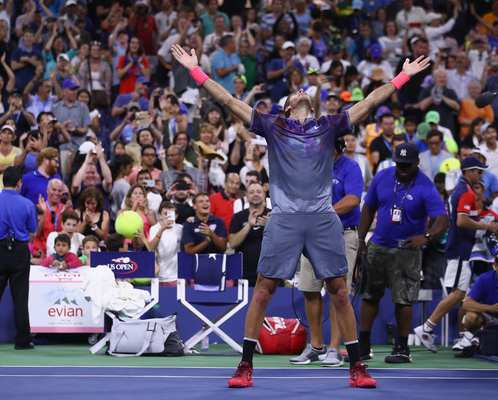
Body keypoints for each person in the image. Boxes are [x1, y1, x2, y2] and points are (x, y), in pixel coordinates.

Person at [171, 43, 430, 389]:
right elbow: (229, 102)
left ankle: (356, 366)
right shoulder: (273, 126)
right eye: (296, 92)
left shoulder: (329, 126)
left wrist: (401, 77)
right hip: (285, 218)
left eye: (305, 90)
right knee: (263, 290)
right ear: (288, 106)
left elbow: (369, 103)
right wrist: (196, 70)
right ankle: (245, 365)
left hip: (323, 218)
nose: (301, 91)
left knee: (339, 291)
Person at [358, 143, 449, 363]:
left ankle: (402, 348)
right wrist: (361, 240)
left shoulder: (426, 186)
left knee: (404, 300)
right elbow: (368, 207)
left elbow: (443, 219)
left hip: (406, 250)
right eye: (400, 164)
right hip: (378, 246)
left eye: (408, 165)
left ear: (417, 163)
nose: (403, 168)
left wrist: (426, 237)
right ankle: (363, 345)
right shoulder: (382, 176)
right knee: (370, 296)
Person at [291, 137, 364, 367]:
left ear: (338, 149)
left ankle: (334, 349)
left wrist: (325, 212)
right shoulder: (311, 167)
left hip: (342, 233)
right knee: (309, 288)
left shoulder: (350, 167)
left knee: (337, 290)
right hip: (313, 235)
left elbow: (353, 199)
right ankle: (316, 345)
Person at [414, 156, 498, 352]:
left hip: (458, 248)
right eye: (478, 171)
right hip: (461, 249)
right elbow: (461, 221)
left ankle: (464, 336)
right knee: (458, 294)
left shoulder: (460, 190)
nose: (481, 175)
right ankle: (427, 328)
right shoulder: (466, 192)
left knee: (459, 293)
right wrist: (487, 226)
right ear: (468, 172)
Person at [0, 166, 38, 350]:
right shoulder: (27, 204)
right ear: (19, 183)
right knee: (20, 299)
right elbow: (32, 233)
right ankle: (22, 341)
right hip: (19, 251)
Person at [229, 182, 271, 286]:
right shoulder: (238, 217)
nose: (255, 194)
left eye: (259, 192)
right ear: (246, 197)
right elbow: (233, 243)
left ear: (264, 195)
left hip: (270, 272)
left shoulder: (273, 215)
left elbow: (284, 243)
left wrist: (270, 227)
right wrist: (248, 225)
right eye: (251, 192)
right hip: (243, 273)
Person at [459, 267, 498, 357]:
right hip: (488, 316)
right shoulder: (484, 279)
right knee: (471, 317)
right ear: (495, 266)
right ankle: (474, 338)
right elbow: (466, 304)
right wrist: (490, 308)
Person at [148, 202, 183, 286]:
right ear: (160, 215)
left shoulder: (180, 228)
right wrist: (161, 230)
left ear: (176, 215)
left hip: (176, 276)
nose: (168, 216)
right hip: (159, 276)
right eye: (165, 214)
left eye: (171, 214)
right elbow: (151, 248)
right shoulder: (154, 228)